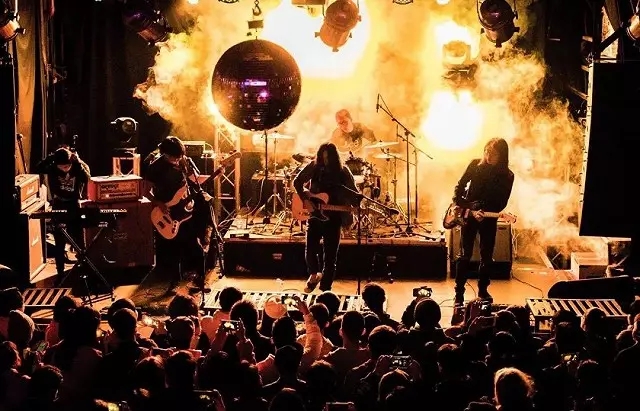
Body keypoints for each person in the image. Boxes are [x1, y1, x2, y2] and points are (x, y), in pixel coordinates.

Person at [143, 136, 215, 294]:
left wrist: (215, 174)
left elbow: (195, 180)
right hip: (167, 212)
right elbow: (145, 191)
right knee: (173, 250)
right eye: (173, 157)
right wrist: (158, 203)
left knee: (195, 245)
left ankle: (200, 280)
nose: (176, 160)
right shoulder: (155, 167)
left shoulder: (184, 162)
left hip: (185, 211)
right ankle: (174, 283)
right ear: (164, 153)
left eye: (179, 156)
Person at [452, 138, 514, 305]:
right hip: (469, 213)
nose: (488, 156)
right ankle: (459, 293)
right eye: (486, 151)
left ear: (502, 156)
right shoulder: (475, 164)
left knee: (487, 256)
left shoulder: (508, 176)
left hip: (488, 217)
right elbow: (459, 188)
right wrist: (470, 208)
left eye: (493, 153)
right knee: (464, 255)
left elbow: (502, 202)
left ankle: (483, 290)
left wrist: (484, 211)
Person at [293, 143, 360, 292]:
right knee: (310, 249)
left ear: (334, 158)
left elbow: (353, 193)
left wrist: (356, 204)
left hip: (334, 217)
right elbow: (297, 182)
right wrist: (306, 199)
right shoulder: (314, 166)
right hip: (315, 215)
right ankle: (313, 275)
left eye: (327, 158)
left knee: (330, 257)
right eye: (322, 158)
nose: (324, 161)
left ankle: (325, 289)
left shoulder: (343, 171)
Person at [35, 147, 91, 277]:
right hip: (59, 203)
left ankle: (83, 269)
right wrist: (52, 157)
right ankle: (60, 272)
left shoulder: (77, 167)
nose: (65, 169)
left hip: (74, 204)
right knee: (59, 240)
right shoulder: (53, 168)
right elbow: (38, 168)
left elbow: (87, 178)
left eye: (67, 166)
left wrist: (78, 162)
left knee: (79, 239)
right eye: (62, 167)